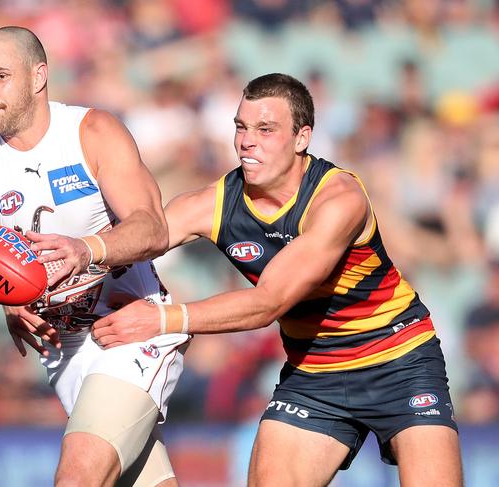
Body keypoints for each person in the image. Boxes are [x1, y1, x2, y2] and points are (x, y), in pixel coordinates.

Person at [92, 73, 463, 486]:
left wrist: (160, 319)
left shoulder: (338, 199)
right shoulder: (216, 202)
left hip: (401, 359)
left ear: (302, 137)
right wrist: (73, 259)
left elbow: (270, 302)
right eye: (241, 127)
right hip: (314, 371)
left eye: (266, 130)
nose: (247, 141)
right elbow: (144, 235)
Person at [0, 26, 190, 487]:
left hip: (133, 326)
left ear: (39, 76)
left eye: (0, 76)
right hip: (65, 351)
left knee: (77, 476)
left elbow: (153, 227)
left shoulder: (92, 131)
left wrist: (87, 248)